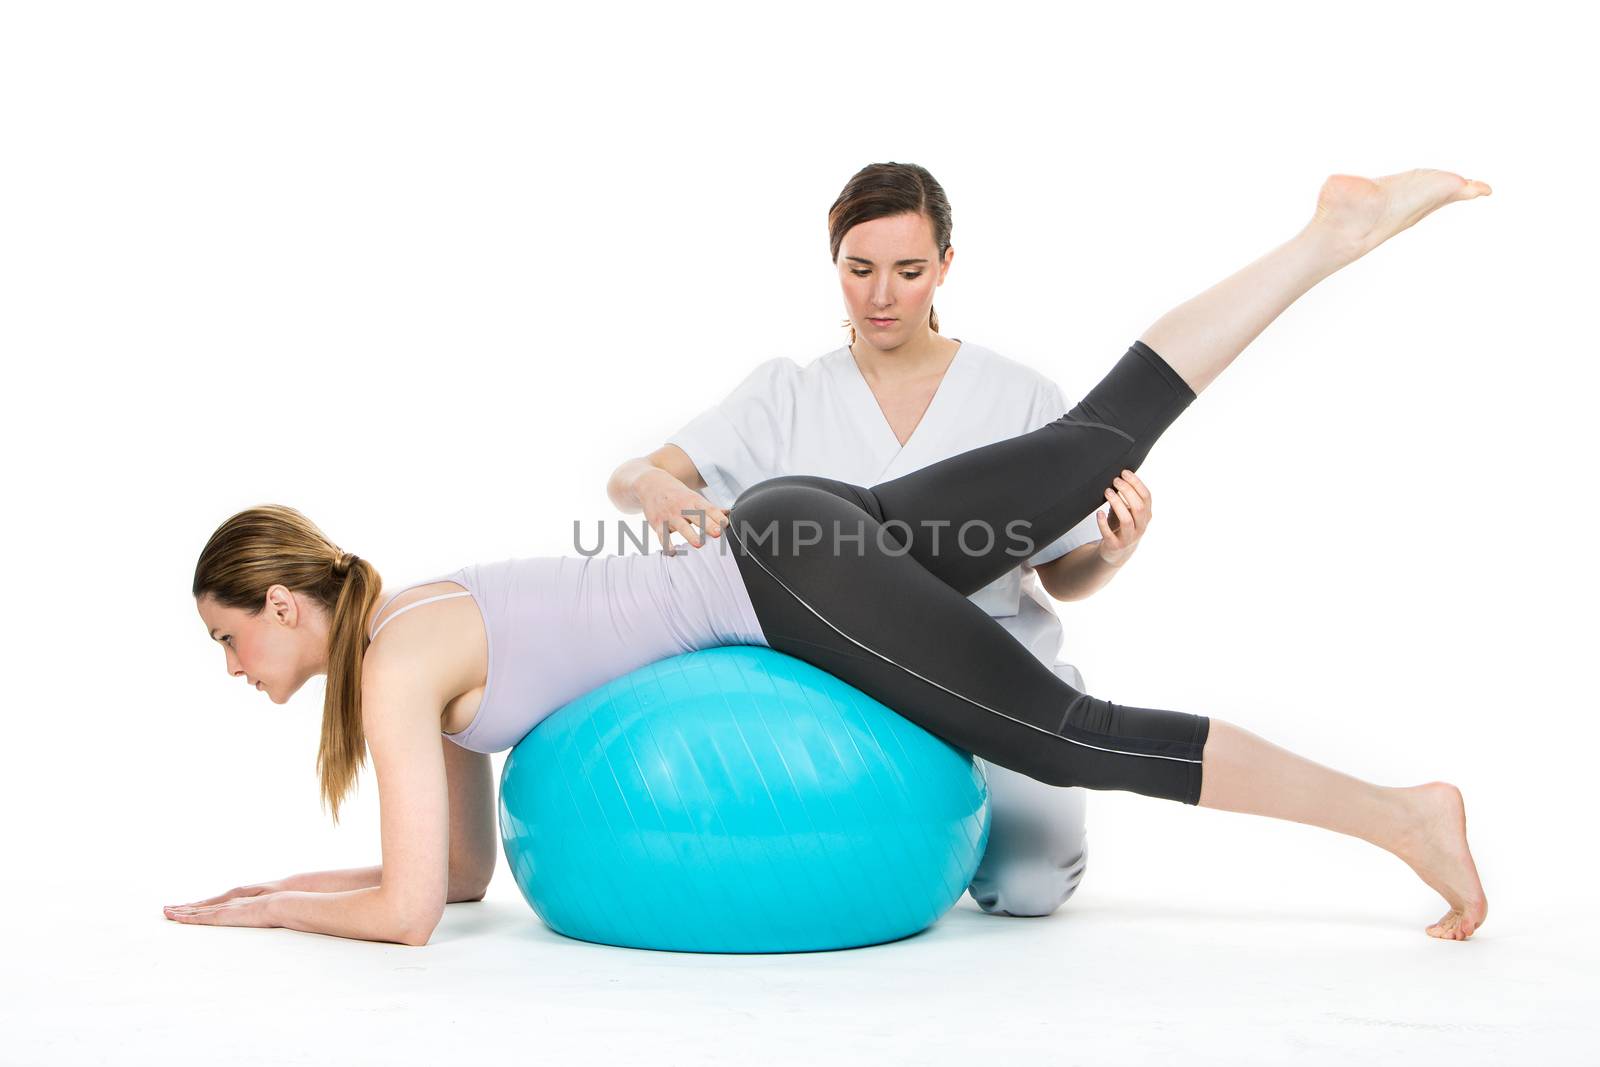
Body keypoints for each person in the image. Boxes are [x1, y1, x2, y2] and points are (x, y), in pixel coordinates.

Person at [174, 168, 1492, 948]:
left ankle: (1400, 817)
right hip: (792, 530)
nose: (232, 662)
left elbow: (408, 915)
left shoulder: (398, 659)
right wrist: (292, 876)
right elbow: (455, 877)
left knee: (1074, 730)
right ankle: (1333, 235)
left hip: (785, 573)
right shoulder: (410, 618)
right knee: (1093, 438)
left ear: (287, 601)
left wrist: (264, 916)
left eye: (231, 633)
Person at [605, 161, 1149, 917]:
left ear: (946, 267)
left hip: (993, 668)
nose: (882, 296)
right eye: (859, 270)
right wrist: (656, 488)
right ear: (836, 265)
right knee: (819, 873)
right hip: (835, 679)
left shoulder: (1022, 396)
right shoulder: (786, 393)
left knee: (1031, 886)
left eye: (909, 270)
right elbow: (635, 474)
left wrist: (1111, 552)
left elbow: (1063, 576)